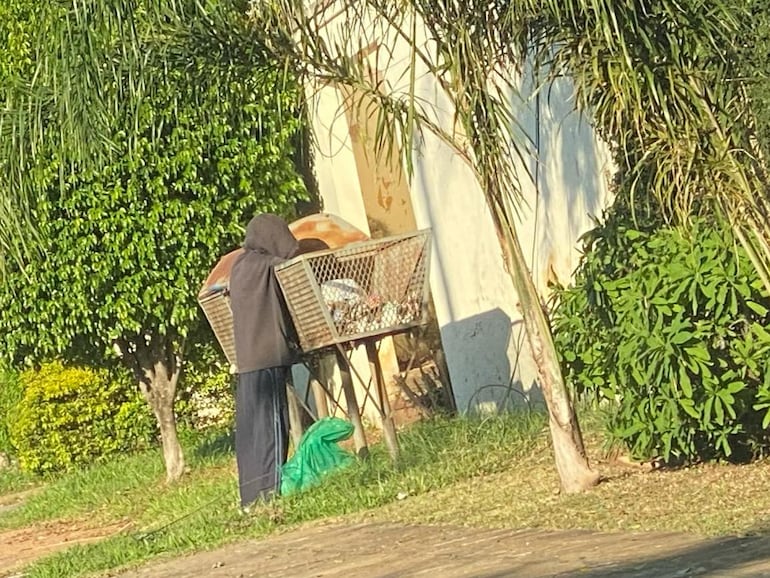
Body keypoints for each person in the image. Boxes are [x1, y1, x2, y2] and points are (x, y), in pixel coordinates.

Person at [229, 213, 299, 508]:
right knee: (274, 426)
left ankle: (249, 497)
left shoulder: (239, 267)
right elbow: (294, 270)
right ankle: (270, 494)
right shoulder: (269, 266)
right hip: (268, 357)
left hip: (246, 362)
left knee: (251, 432)